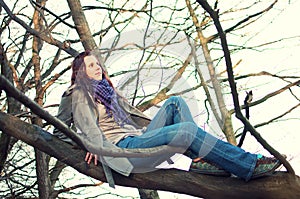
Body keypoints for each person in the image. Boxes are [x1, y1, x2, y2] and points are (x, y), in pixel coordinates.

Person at [53, 50, 282, 185]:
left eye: (97, 63)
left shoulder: (108, 91)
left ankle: (200, 159)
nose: (97, 67)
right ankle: (248, 165)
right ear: (80, 71)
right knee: (187, 132)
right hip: (122, 149)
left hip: (139, 139)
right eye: (90, 64)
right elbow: (58, 132)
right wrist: (88, 144)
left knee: (175, 102)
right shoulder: (76, 94)